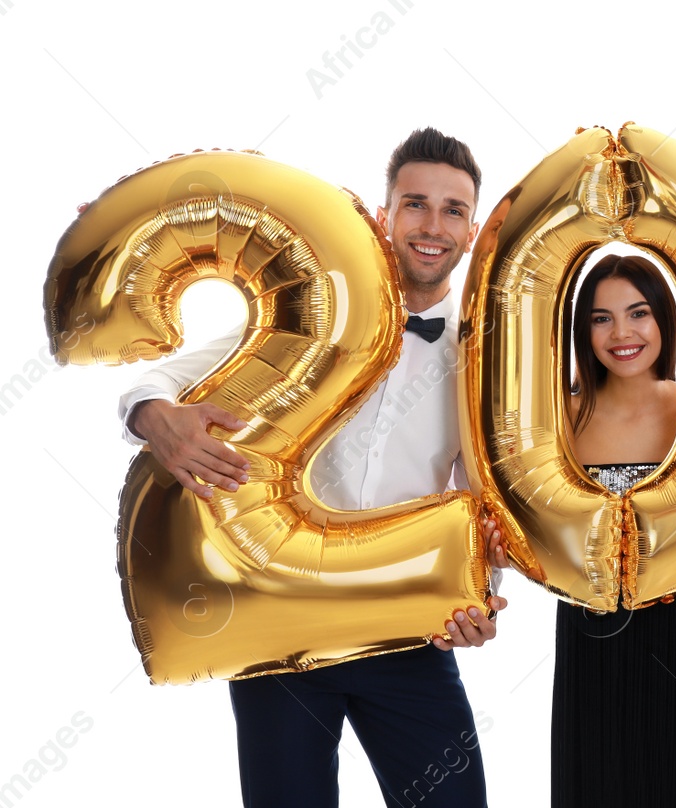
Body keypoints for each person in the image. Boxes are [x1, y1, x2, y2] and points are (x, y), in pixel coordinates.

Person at [119, 127, 503, 808]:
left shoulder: (480, 362)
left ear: (472, 229)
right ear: (384, 219)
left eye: (453, 210)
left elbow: (482, 499)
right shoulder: (309, 318)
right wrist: (160, 423)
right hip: (279, 625)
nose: (432, 226)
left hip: (406, 633)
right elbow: (149, 387)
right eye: (415, 204)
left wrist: (480, 595)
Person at [484, 253, 676, 807]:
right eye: (601, 318)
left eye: (638, 313)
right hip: (592, 639)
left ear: (664, 320)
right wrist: (508, 552)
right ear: (582, 330)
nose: (622, 333)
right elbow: (543, 539)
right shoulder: (558, 422)